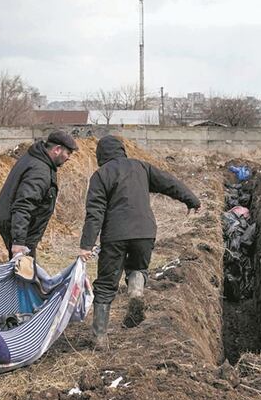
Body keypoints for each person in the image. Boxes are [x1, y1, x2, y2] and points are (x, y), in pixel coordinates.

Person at [78, 135, 200, 350]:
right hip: (145, 231)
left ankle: (99, 338)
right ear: (122, 150)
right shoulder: (141, 167)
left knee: (106, 285)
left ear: (100, 154)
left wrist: (87, 245)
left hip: (115, 235)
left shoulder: (101, 175)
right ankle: (135, 292)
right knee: (138, 267)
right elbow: (169, 183)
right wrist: (191, 199)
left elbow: (94, 213)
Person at [0, 131, 77, 259]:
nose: (69, 157)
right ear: (57, 149)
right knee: (25, 273)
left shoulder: (36, 159)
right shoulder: (39, 171)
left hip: (19, 227)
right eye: (68, 153)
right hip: (21, 230)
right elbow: (23, 205)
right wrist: (18, 242)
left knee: (26, 271)